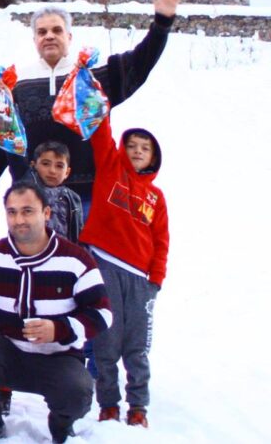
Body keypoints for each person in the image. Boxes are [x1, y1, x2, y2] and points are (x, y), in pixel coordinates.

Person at [0, 0, 181, 216]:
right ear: (34, 40)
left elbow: (141, 62)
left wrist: (162, 23)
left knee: (84, 254)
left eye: (56, 30)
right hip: (33, 197)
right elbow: (4, 136)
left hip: (89, 195)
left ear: (69, 37)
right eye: (42, 32)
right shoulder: (18, 82)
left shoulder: (93, 76)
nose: (49, 36)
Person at [0, 182, 112, 443]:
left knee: (78, 391)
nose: (19, 219)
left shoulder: (76, 259)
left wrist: (58, 329)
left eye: (27, 211)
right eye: (12, 212)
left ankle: (61, 428)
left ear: (46, 213)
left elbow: (103, 314)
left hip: (58, 359)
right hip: (9, 353)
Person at [82, 123, 169, 428]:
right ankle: (108, 405)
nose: (137, 151)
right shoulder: (110, 168)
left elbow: (161, 240)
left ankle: (138, 408)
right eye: (132, 145)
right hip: (105, 266)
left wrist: (156, 278)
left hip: (141, 280)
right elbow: (100, 133)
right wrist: (96, 95)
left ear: (154, 158)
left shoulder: (156, 198)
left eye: (145, 148)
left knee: (137, 347)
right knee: (106, 342)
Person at [27, 142, 83, 242]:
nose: (52, 170)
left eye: (59, 166)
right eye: (45, 164)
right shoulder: (28, 190)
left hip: (63, 252)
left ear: (67, 172)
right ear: (33, 165)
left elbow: (78, 232)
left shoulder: (73, 198)